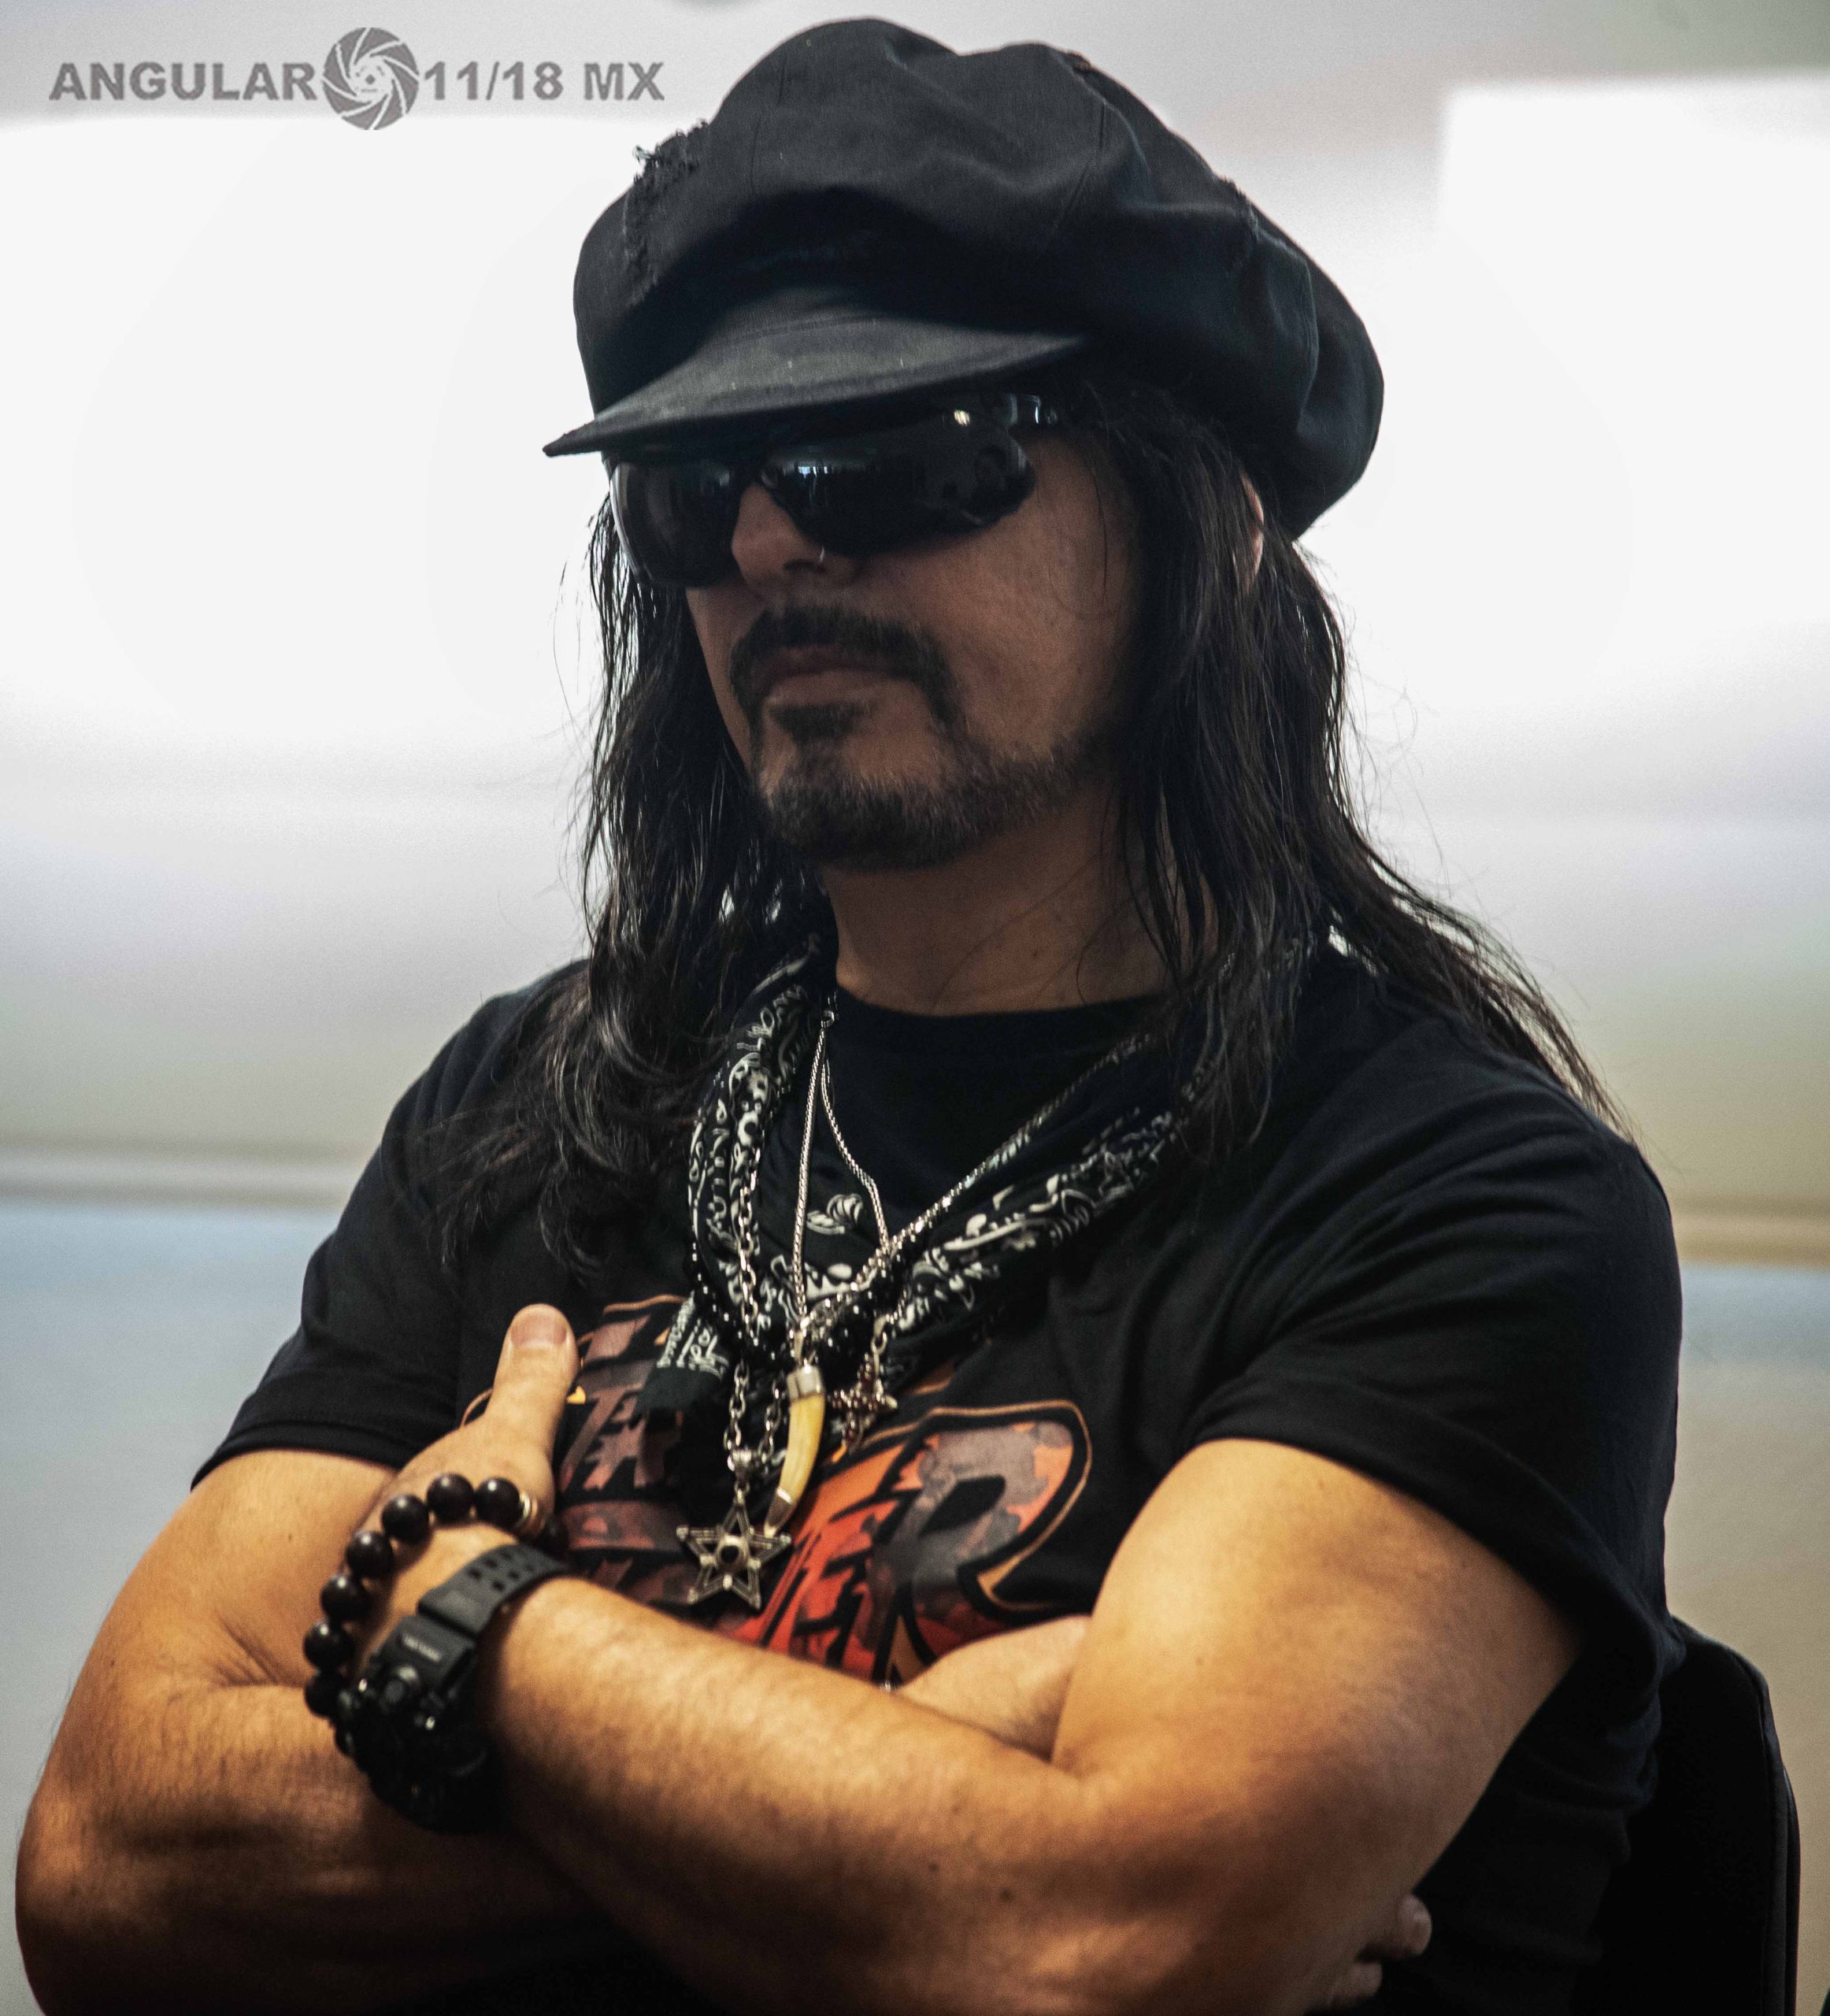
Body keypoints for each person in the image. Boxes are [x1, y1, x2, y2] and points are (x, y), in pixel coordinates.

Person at [17, 20, 1682, 2016]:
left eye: (894, 456)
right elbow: (108, 1858)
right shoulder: (533, 1106)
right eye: (692, 488)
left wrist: (469, 1619)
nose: (768, 545)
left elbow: (1095, 1938)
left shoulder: (1460, 1195)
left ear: (1217, 516)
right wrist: (918, 1777)